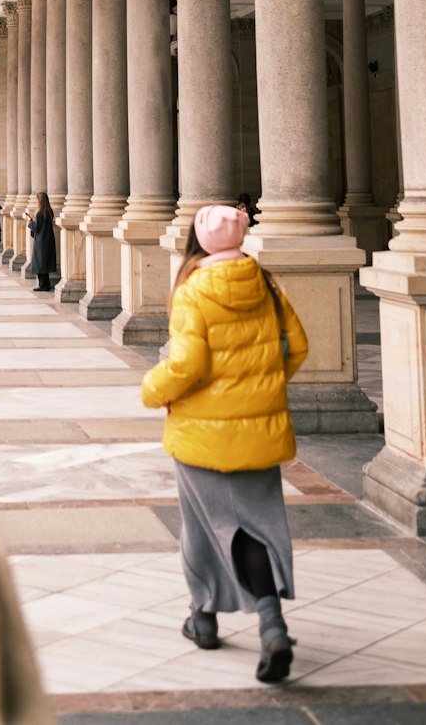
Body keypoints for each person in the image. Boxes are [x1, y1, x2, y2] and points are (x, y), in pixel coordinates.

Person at [141, 203, 308, 684]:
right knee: (256, 528)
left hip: (202, 434)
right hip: (258, 432)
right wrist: (262, 390)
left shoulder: (195, 290)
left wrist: (152, 389)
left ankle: (207, 618)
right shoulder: (264, 283)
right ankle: (268, 623)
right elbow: (295, 347)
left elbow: (187, 365)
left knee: (201, 527)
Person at [25, 191, 56, 292]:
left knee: (39, 263)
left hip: (41, 241)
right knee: (44, 263)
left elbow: (36, 227)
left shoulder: (39, 213)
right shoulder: (49, 211)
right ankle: (46, 284)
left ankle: (43, 285)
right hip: (48, 240)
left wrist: (29, 221)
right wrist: (34, 219)